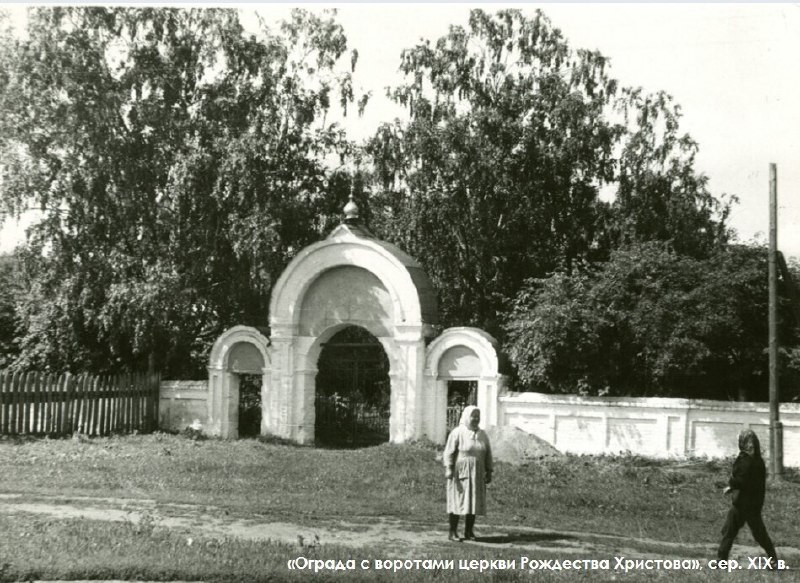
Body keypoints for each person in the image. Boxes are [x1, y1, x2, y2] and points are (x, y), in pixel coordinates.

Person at [716, 429, 778, 567]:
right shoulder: (758, 461)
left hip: (742, 504)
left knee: (730, 531)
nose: (750, 446)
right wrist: (732, 487)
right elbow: (749, 482)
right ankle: (773, 559)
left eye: (751, 444)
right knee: (757, 533)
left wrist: (731, 483)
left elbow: (740, 480)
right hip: (753, 504)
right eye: (748, 443)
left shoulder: (746, 460)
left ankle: (721, 560)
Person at [443, 405, 493, 541]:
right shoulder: (458, 432)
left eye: (478, 416)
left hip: (477, 473)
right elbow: (449, 452)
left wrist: (489, 471)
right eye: (473, 416)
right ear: (466, 416)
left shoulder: (483, 435)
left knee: (473, 501)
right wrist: (449, 468)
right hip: (461, 473)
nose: (476, 419)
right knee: (458, 501)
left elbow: (488, 453)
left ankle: (469, 532)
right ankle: (452, 532)